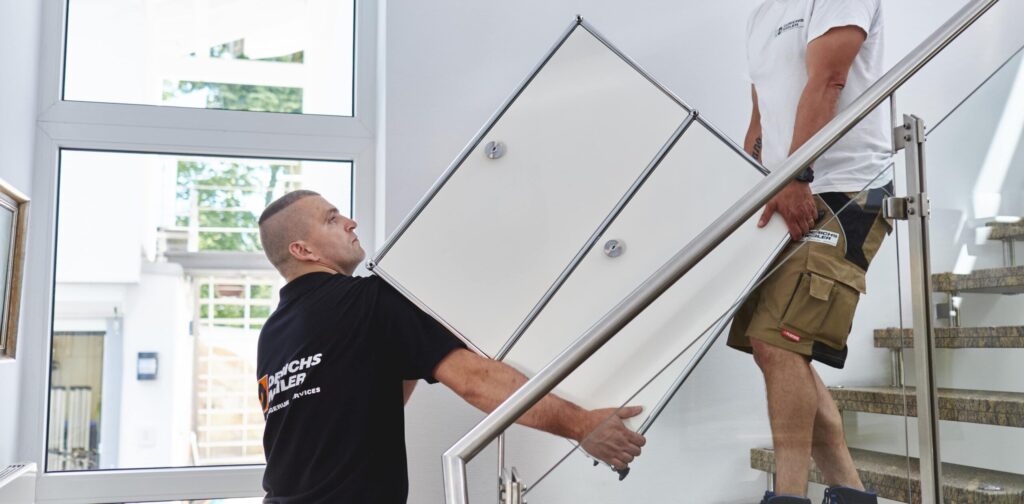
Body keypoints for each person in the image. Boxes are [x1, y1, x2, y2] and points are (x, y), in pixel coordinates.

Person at [255, 190, 646, 503]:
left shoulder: (272, 334)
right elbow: (476, 380)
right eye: (331, 218)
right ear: (303, 250)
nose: (350, 222)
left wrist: (416, 337)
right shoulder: (369, 300)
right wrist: (581, 425)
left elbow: (357, 400)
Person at [727, 1, 893, 503]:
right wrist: (748, 187)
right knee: (771, 344)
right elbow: (761, 118)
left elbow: (829, 80)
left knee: (779, 342)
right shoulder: (760, 14)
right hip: (785, 193)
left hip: (845, 190)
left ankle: (789, 497)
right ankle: (850, 493)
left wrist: (798, 173)